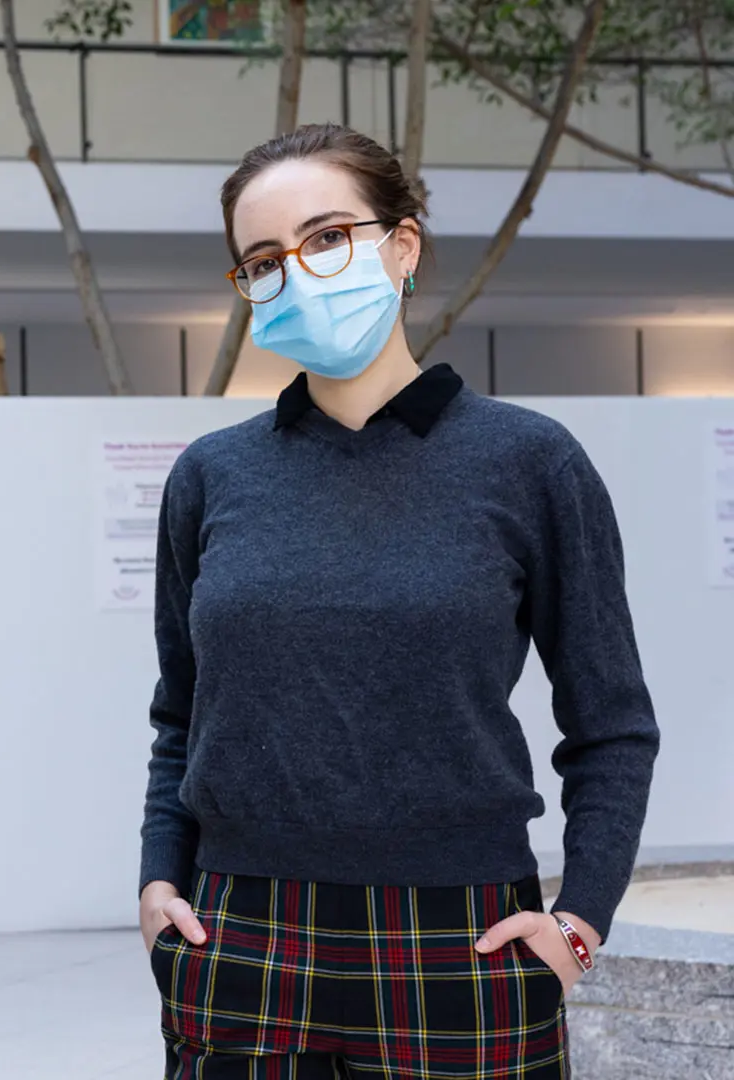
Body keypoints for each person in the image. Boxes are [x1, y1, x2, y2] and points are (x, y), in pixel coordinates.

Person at [139, 123, 660, 1080]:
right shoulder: (212, 476)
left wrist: (581, 917)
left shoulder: (531, 462)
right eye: (262, 260)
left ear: (403, 246)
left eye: (327, 236)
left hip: (461, 936)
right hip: (239, 937)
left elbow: (612, 723)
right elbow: (181, 713)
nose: (296, 271)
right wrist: (158, 881)